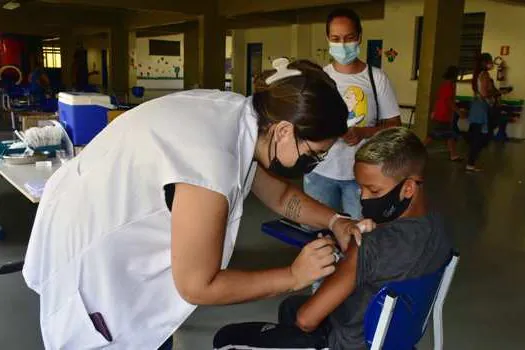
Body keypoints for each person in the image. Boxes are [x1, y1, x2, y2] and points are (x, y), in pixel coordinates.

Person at [22, 58, 372, 349]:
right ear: (283, 130)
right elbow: (197, 285)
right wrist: (293, 276)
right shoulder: (212, 160)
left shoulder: (243, 117)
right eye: (314, 153)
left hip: (95, 214)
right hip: (93, 253)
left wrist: (335, 220)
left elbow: (279, 196)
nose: (316, 162)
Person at [213, 127, 453, 350]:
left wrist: (344, 259)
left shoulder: (368, 248)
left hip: (344, 342)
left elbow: (306, 320)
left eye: (374, 190)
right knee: (289, 305)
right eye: (360, 188)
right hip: (391, 336)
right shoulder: (439, 228)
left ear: (408, 188)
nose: (363, 198)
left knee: (226, 338)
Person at [304, 8, 401, 220]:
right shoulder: (319, 78)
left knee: (359, 232)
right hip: (319, 172)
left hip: (361, 176)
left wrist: (364, 132)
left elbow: (395, 125)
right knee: (316, 230)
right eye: (336, 39)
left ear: (359, 37)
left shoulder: (377, 79)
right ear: (327, 39)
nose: (342, 44)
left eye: (348, 38)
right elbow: (306, 121)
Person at [467, 53, 499, 172]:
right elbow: (485, 93)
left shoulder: (477, 74)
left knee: (477, 135)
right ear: (484, 63)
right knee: (480, 137)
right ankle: (471, 163)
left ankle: (471, 162)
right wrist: (497, 93)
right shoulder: (484, 74)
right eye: (490, 61)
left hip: (476, 106)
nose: (492, 64)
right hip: (481, 108)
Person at [425, 66, 462, 161]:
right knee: (438, 134)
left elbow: (439, 99)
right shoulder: (450, 85)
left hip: (441, 112)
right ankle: (419, 148)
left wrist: (434, 111)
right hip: (444, 113)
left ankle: (453, 155)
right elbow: (448, 101)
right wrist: (458, 111)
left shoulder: (444, 85)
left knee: (448, 135)